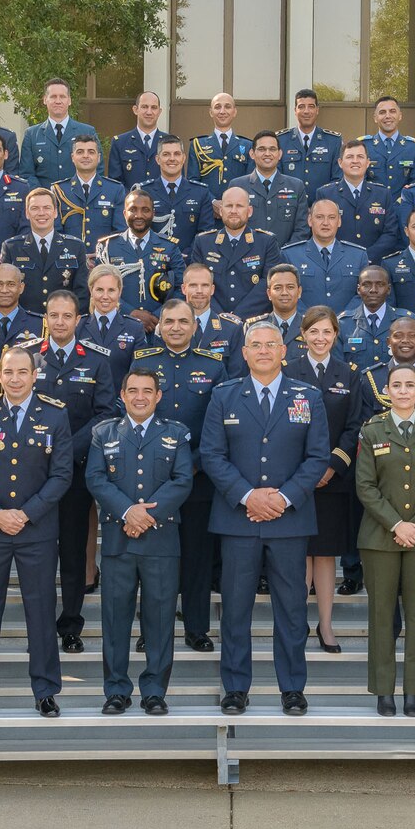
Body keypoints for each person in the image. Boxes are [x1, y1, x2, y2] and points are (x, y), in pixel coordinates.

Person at [199, 320, 331, 715]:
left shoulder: (307, 396)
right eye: (254, 345)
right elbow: (212, 455)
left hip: (289, 521)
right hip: (237, 520)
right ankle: (236, 688)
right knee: (235, 607)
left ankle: (292, 687)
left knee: (291, 609)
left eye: (270, 345)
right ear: (243, 352)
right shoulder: (224, 395)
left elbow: (317, 457)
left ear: (283, 350)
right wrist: (247, 496)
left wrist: (284, 498)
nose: (262, 351)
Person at [0, 346, 73, 717]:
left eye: (22, 372)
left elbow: (61, 475)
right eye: (8, 372)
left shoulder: (55, 415)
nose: (15, 379)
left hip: (35, 531)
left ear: (34, 374)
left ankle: (45, 690)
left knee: (40, 611)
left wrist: (26, 514)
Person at [85, 366, 194, 715]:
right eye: (133, 390)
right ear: (123, 395)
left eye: (147, 390)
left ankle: (154, 691)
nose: (140, 397)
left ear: (158, 396)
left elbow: (182, 481)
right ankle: (116, 689)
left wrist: (145, 516)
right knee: (115, 619)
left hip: (161, 542)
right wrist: (128, 512)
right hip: (119, 540)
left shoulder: (176, 434)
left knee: (160, 618)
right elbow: (96, 479)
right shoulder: (104, 433)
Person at [355, 364, 415, 716]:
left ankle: (414, 691)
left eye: (410, 385)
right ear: (387, 391)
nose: (403, 391)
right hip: (380, 536)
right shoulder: (371, 430)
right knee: (381, 614)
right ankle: (383, 690)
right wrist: (397, 523)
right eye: (396, 385)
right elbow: (365, 486)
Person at [134, 299, 228, 651]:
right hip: (152, 477)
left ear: (195, 326)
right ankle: (150, 629)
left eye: (183, 322)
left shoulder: (214, 365)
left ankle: (197, 628)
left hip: (197, 476)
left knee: (197, 557)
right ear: (160, 326)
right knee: (151, 559)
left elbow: (219, 424)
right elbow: (135, 414)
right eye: (169, 321)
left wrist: (193, 461)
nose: (175, 327)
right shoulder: (144, 363)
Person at [32, 289, 117, 654]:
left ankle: (70, 624)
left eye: (68, 316)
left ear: (78, 319)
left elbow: (107, 411)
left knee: (72, 552)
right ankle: (38, 626)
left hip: (76, 473)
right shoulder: (28, 357)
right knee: (37, 554)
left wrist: (67, 449)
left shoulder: (97, 361)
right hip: (32, 472)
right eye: (55, 315)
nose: (61, 322)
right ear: (46, 318)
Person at [284, 307, 364, 652]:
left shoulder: (349, 375)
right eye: (313, 332)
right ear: (302, 335)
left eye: (327, 332)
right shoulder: (288, 372)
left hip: (334, 480)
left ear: (336, 335)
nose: (320, 338)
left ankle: (326, 625)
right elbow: (282, 429)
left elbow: (355, 426)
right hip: (294, 479)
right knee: (299, 553)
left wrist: (332, 465)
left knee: (326, 555)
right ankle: (296, 623)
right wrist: (304, 473)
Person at [189, 187, 279, 319]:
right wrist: (220, 316)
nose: (233, 211)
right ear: (220, 210)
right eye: (229, 206)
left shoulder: (266, 242)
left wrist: (238, 316)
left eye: (239, 206)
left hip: (253, 321)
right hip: (213, 319)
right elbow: (197, 282)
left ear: (249, 211)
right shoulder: (203, 242)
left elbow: (268, 283)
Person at [0, 188, 88, 314]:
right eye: (35, 208)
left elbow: (82, 293)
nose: (41, 213)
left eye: (47, 208)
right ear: (27, 213)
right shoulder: (12, 247)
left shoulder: (75, 247)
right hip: (24, 325)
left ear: (55, 212)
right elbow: (5, 293)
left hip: (62, 324)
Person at [95, 190, 183, 317]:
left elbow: (181, 287)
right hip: (119, 321)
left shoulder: (169, 247)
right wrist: (130, 313)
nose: (139, 215)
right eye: (133, 210)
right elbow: (97, 287)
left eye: (145, 210)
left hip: (158, 326)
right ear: (124, 213)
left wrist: (159, 315)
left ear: (153, 214)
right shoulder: (107, 248)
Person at [315, 139, 401, 258]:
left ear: (367, 162)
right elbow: (321, 232)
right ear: (340, 162)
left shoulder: (382, 194)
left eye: (360, 157)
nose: (355, 161)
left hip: (373, 265)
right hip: (337, 262)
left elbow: (391, 234)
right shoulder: (326, 194)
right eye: (350, 157)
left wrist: (365, 256)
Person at [282, 200, 371, 314]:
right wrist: (309, 319)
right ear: (310, 220)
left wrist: (344, 318)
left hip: (348, 327)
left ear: (339, 221)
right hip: (305, 326)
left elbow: (363, 294)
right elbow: (287, 295)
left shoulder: (358, 255)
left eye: (332, 217)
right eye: (319, 217)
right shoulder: (290, 255)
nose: (325, 222)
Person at [137, 133, 219, 249]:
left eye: (177, 154)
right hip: (154, 261)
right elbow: (140, 231)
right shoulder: (145, 192)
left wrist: (187, 257)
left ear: (183, 158)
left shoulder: (201, 192)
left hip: (190, 262)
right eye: (166, 154)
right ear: (158, 159)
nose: (172, 158)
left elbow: (205, 234)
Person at [226, 130, 307, 245]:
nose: (267, 153)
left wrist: (286, 254)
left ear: (280, 154)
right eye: (262, 149)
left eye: (272, 149)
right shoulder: (237, 185)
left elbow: (302, 230)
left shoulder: (296, 186)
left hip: (285, 258)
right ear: (252, 154)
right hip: (247, 257)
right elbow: (232, 226)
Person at [52, 135, 128, 249]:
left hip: (104, 261)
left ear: (98, 157)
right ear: (73, 157)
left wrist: (100, 255)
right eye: (80, 152)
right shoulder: (59, 190)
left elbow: (120, 231)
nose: (85, 156)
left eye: (91, 152)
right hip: (68, 259)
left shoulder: (115, 189)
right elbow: (55, 231)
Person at [21, 77, 100, 186]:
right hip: (44, 200)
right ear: (45, 99)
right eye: (53, 97)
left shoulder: (87, 131)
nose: (58, 101)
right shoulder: (32, 134)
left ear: (69, 100)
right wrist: (44, 196)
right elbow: (27, 174)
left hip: (78, 200)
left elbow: (97, 169)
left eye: (62, 96)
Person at [81, 266, 152, 385]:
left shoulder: (135, 328)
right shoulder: (78, 327)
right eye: (99, 290)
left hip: (120, 400)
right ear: (91, 290)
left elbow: (139, 374)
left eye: (111, 290)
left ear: (120, 292)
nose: (105, 296)